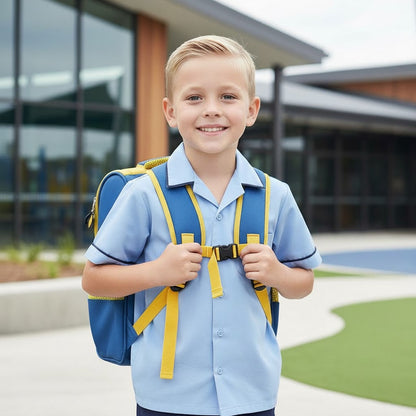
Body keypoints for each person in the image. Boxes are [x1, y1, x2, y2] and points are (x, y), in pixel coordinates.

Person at [82, 35, 321, 416]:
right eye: (194, 98)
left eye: (228, 97)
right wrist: (156, 272)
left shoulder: (277, 195)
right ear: (170, 111)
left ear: (252, 109)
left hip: (253, 391)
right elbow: (93, 279)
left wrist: (277, 272)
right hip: (166, 396)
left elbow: (303, 282)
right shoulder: (144, 195)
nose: (212, 110)